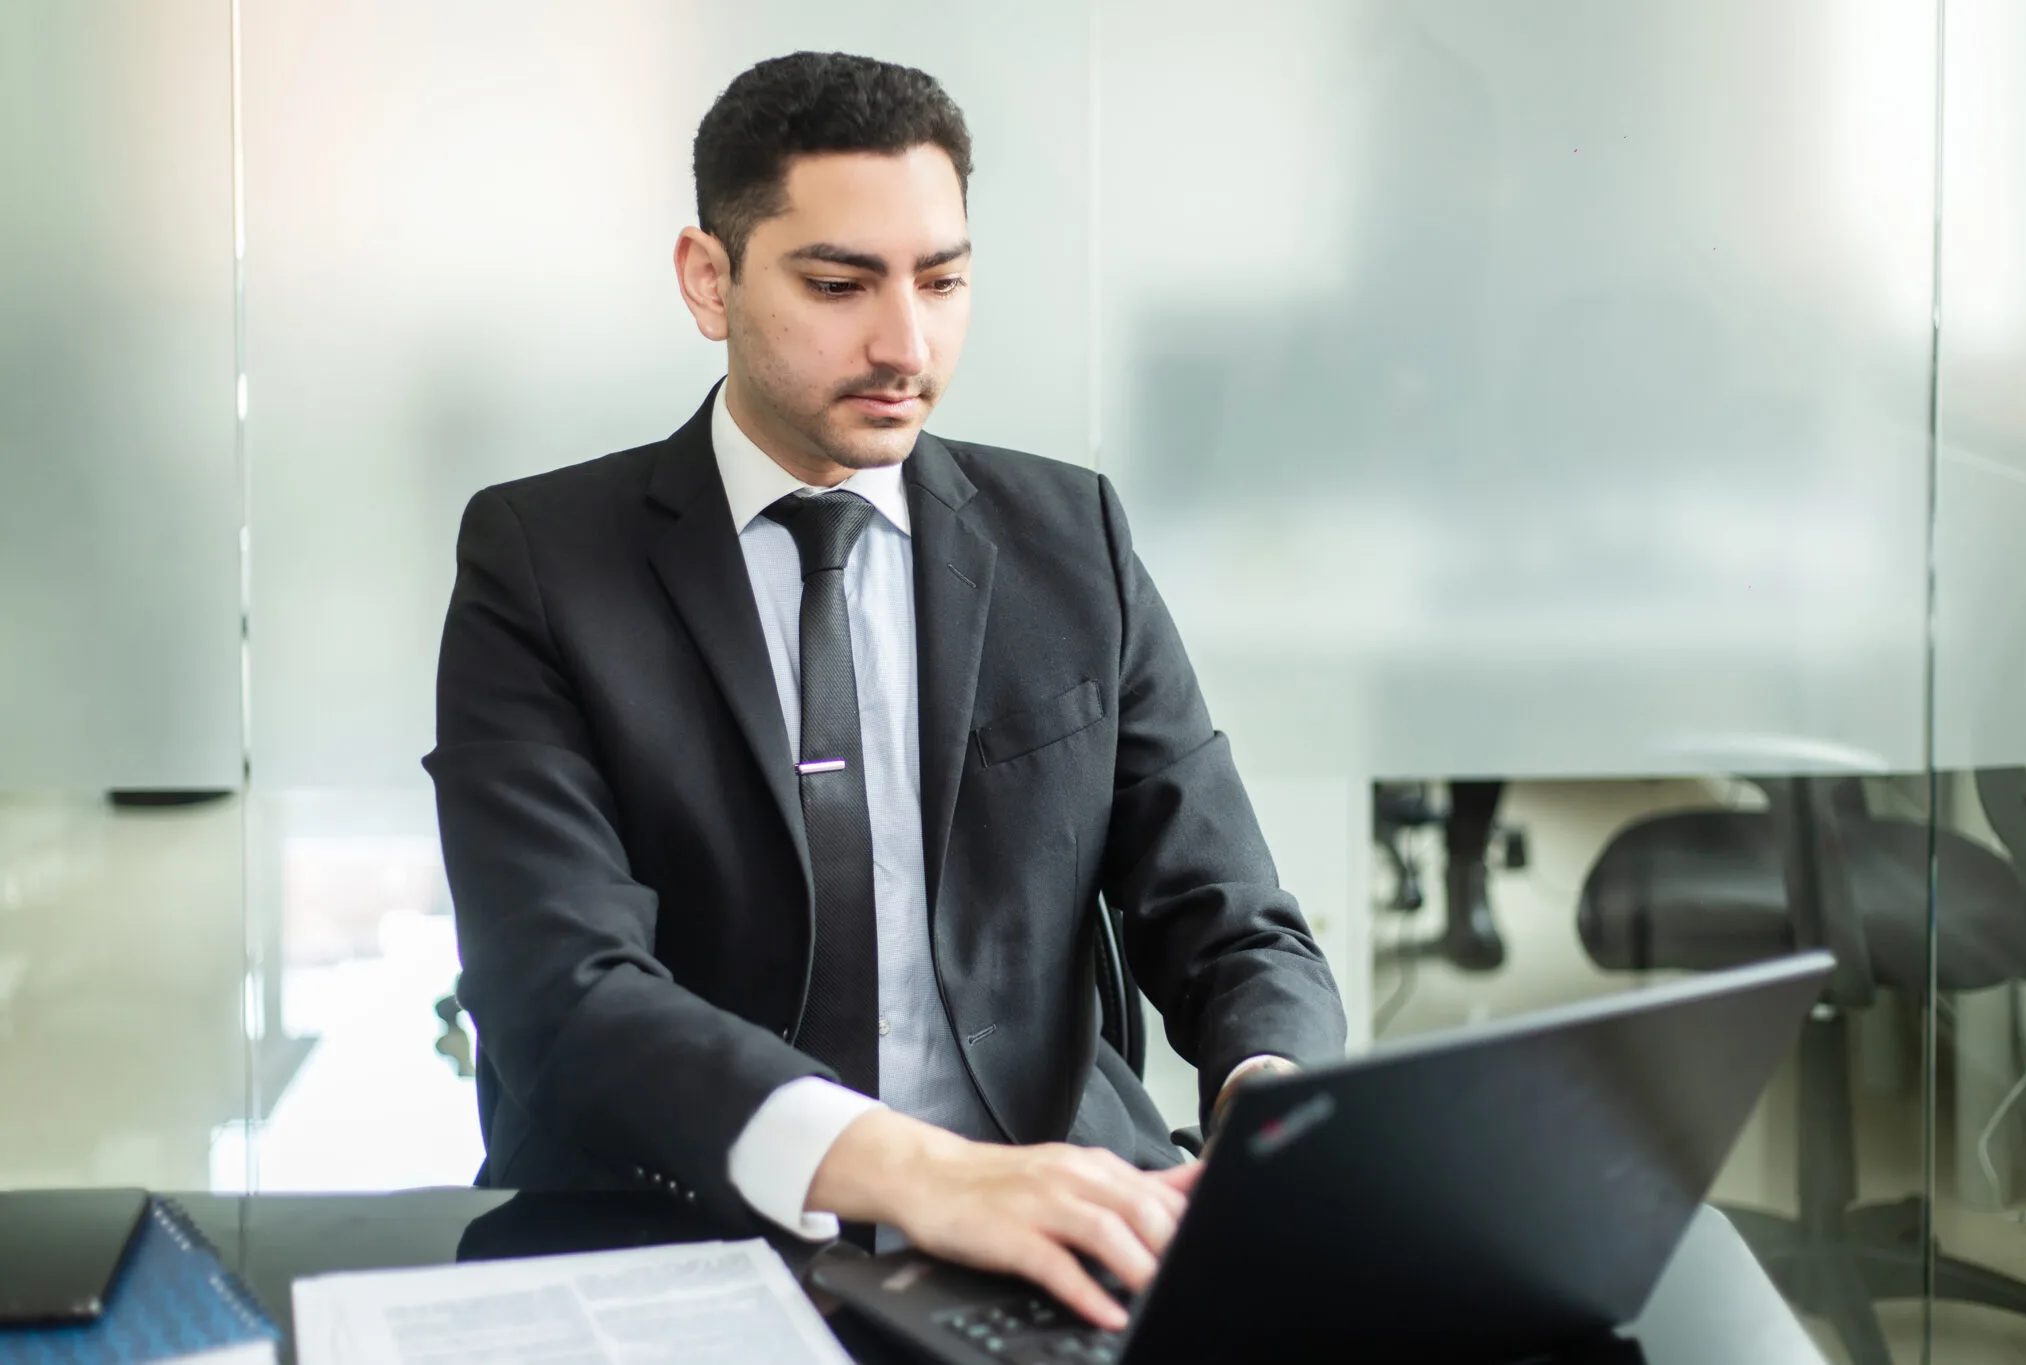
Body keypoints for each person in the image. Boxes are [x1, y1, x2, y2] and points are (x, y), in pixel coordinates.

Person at [425, 51, 1346, 1330]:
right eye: (839, 283)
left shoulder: (1066, 536)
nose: (904, 342)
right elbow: (559, 988)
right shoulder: (543, 563)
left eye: (943, 280)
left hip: (1059, 1222)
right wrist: (929, 1177)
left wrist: (1269, 1096)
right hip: (687, 1226)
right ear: (709, 278)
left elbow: (1230, 914)